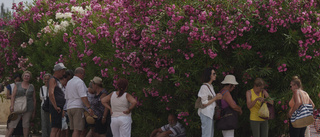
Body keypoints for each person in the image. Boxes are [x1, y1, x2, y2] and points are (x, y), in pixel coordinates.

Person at [6, 71, 36, 137]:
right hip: (17, 107)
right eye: (25, 75)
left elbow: (34, 99)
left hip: (28, 107)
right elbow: (13, 96)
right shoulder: (18, 85)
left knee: (26, 124)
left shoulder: (32, 86)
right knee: (12, 124)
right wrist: (12, 105)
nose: (26, 77)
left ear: (30, 77)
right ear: (23, 77)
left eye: (28, 76)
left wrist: (34, 111)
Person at [65, 67, 93, 137]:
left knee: (74, 129)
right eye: (84, 74)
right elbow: (83, 97)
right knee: (77, 130)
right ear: (81, 74)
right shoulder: (79, 82)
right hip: (77, 107)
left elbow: (66, 96)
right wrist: (89, 107)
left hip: (69, 107)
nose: (84, 76)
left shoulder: (69, 82)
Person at [197, 67, 222, 137]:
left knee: (210, 134)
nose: (215, 75)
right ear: (209, 75)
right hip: (206, 113)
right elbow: (204, 103)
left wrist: (216, 97)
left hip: (210, 113)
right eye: (213, 74)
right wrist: (215, 98)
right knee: (207, 134)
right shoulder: (204, 87)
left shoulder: (210, 86)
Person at [48, 63, 67, 137]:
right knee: (55, 128)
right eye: (63, 71)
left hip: (59, 107)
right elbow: (51, 93)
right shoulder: (52, 79)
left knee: (58, 128)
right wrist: (55, 106)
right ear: (58, 71)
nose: (64, 73)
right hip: (56, 107)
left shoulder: (57, 80)